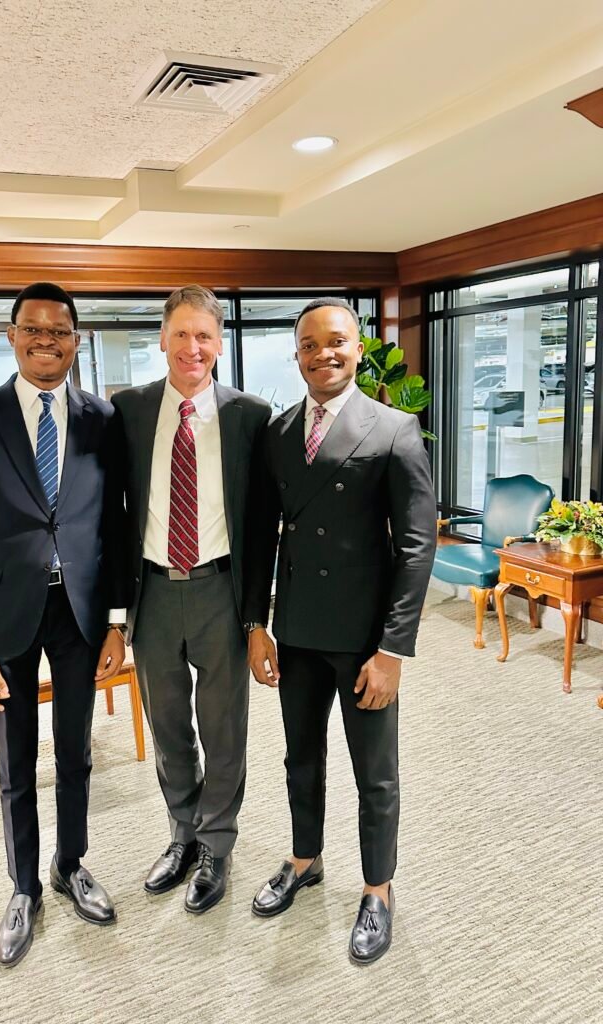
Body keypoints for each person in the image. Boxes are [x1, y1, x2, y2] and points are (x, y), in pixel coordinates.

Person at [244, 297, 436, 964]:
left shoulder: (393, 429)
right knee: (301, 757)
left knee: (374, 774)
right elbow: (258, 536)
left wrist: (392, 650)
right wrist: (256, 624)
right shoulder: (277, 431)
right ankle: (304, 860)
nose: (323, 354)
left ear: (359, 349)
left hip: (363, 641)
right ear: (295, 355)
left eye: (336, 343)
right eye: (309, 345)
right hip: (294, 631)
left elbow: (416, 549)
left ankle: (377, 890)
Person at [0, 281, 129, 968]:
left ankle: (70, 863)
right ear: (12, 334)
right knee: (14, 761)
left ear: (76, 341)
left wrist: (116, 621)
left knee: (76, 752)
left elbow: (111, 524)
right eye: (33, 328)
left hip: (79, 612)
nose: (45, 339)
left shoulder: (104, 420)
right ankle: (23, 888)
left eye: (59, 330)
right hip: (3, 616)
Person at [111, 285, 270, 914]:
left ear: (219, 343)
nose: (193, 347)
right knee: (168, 724)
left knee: (223, 727)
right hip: (151, 591)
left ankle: (216, 845)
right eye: (181, 334)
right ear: (162, 340)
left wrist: (258, 616)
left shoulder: (250, 416)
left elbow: (261, 526)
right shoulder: (127, 410)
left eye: (204, 335)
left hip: (219, 591)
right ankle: (181, 832)